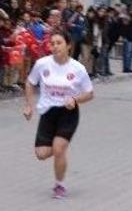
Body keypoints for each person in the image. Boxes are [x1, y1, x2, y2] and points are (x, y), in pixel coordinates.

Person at [22, 31, 94, 199]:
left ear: (68, 45)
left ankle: (59, 185)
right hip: (48, 111)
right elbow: (30, 82)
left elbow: (89, 93)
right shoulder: (42, 64)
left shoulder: (78, 68)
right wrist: (29, 105)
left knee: (59, 148)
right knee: (41, 154)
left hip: (68, 112)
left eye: (59, 43)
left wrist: (75, 99)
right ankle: (58, 149)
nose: (55, 46)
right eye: (52, 43)